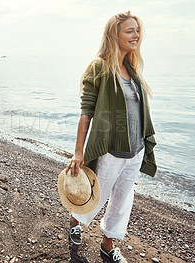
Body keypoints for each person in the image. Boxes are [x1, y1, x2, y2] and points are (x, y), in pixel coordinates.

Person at [65, 11, 157, 263]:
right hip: (110, 152)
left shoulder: (132, 69)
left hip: (135, 152)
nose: (136, 35)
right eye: (130, 30)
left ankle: (107, 245)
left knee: (122, 202)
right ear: (114, 35)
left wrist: (142, 148)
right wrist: (79, 152)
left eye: (137, 30)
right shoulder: (100, 68)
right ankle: (75, 221)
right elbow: (86, 113)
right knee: (96, 197)